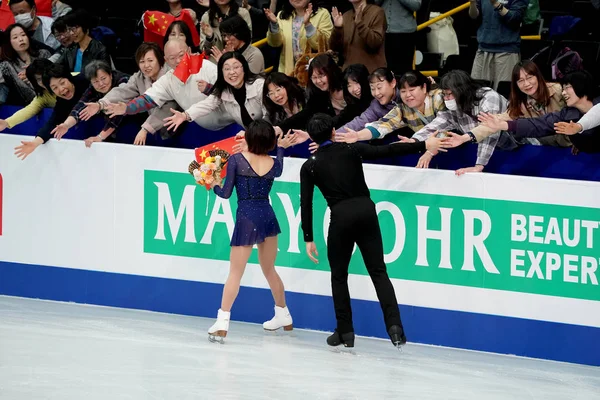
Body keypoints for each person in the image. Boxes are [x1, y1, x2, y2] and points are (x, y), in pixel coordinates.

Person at [300, 113, 451, 349]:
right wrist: (424, 144)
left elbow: (306, 203)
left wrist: (308, 237)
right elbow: (388, 151)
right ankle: (395, 327)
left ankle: (345, 331)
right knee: (378, 272)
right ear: (332, 132)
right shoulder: (351, 150)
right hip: (366, 211)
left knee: (339, 276)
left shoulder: (309, 166)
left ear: (313, 137)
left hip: (341, 217)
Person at [207, 120, 297, 343]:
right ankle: (283, 314)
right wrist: (282, 147)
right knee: (270, 270)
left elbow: (226, 194)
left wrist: (213, 182)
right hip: (268, 217)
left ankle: (222, 320)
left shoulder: (237, 160)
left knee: (235, 273)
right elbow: (280, 165)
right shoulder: (274, 163)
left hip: (247, 219)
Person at [395, 70, 507, 174]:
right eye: (444, 94)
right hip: (487, 151)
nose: (446, 98)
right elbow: (435, 125)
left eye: (449, 94)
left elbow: (490, 132)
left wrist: (479, 165)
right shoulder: (454, 108)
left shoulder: (489, 98)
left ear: (462, 91)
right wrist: (414, 140)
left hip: (514, 147)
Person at [104, 39, 226, 131]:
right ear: (166, 60)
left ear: (189, 51)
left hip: (229, 124)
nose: (178, 61)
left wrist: (209, 89)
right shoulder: (168, 80)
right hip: (203, 128)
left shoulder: (207, 67)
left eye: (181, 55)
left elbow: (224, 93)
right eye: (172, 58)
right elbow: (147, 100)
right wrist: (127, 108)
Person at [474, 71, 600, 154]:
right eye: (563, 88)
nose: (563, 93)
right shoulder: (567, 115)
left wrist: (579, 129)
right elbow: (538, 124)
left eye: (568, 87)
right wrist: (505, 125)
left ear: (581, 85)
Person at [99, 43, 176, 146]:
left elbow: (168, 107)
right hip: (157, 129)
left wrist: (145, 129)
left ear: (160, 60)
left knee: (194, 161)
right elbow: (123, 91)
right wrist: (101, 104)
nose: (146, 65)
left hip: (180, 127)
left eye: (150, 61)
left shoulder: (171, 76)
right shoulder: (139, 77)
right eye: (142, 61)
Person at [164, 52, 265, 131]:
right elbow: (207, 104)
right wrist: (184, 115)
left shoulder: (259, 86)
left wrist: (254, 135)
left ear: (244, 68)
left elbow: (270, 116)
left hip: (273, 134)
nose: (232, 72)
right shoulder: (224, 90)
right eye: (227, 69)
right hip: (253, 138)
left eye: (236, 67)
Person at [335, 70, 445, 142]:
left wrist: (415, 140)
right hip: (426, 147)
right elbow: (382, 125)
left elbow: (441, 124)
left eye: (412, 90)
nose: (408, 95)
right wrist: (357, 136)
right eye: (403, 91)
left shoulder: (439, 97)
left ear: (424, 87)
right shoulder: (402, 109)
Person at [13, 64, 89, 160]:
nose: (61, 89)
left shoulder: (86, 80)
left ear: (69, 78)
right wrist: (35, 143)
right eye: (55, 88)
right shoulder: (62, 101)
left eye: (62, 83)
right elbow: (52, 123)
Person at [51, 61, 130, 146]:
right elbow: (79, 106)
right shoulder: (92, 88)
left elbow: (118, 108)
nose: (101, 84)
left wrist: (100, 137)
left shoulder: (123, 81)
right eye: (95, 82)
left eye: (103, 78)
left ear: (110, 75)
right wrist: (66, 124)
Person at [469, 0, 529, 90]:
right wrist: (472, 3)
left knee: (503, 92)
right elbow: (474, 16)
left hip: (507, 51)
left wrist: (496, 4)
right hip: (483, 49)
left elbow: (515, 19)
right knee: (477, 91)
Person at [265, 0, 333, 75]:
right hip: (287, 73)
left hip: (314, 73)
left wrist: (308, 25)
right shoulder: (282, 15)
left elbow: (323, 44)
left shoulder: (322, 13)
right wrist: (274, 25)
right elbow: (275, 43)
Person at [0, 24, 52, 105]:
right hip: (27, 106)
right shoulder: (6, 65)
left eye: (23, 35)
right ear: (9, 42)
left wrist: (33, 75)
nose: (21, 39)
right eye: (15, 37)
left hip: (51, 100)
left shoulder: (44, 54)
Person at [0, 59, 56, 133]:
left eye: (45, 76)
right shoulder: (43, 96)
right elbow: (28, 110)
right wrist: (6, 122)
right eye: (39, 79)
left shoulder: (73, 79)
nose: (44, 81)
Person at [330, 0, 386, 73]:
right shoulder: (346, 15)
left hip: (372, 73)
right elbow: (334, 48)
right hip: (349, 73)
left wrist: (360, 24)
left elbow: (375, 43)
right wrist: (337, 28)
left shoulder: (377, 12)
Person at [57, 9, 111, 74]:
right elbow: (57, 68)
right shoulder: (70, 49)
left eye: (73, 29)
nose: (71, 33)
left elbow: (100, 75)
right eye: (69, 29)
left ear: (85, 27)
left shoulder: (99, 50)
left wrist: (72, 76)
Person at [375, 0, 419, 76]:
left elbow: (416, 5)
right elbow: (374, 2)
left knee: (403, 71)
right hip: (382, 31)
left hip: (404, 33)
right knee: (384, 70)